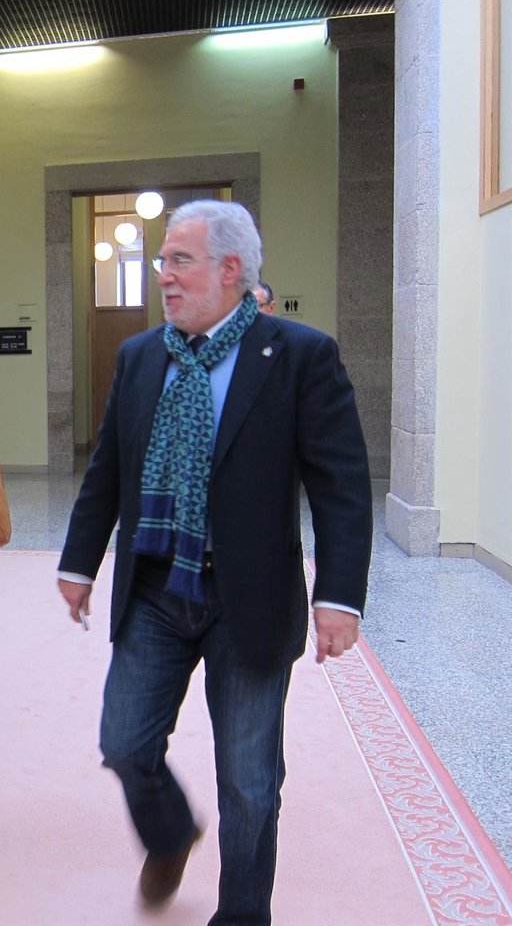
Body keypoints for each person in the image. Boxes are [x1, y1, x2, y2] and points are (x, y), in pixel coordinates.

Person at [57, 201, 371, 925]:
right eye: (163, 261)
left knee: (250, 784)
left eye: (179, 261)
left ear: (231, 270)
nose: (163, 276)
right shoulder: (141, 357)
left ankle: (242, 915)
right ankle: (170, 833)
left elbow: (342, 485)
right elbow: (108, 467)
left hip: (249, 601)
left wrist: (340, 597)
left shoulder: (298, 356)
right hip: (157, 587)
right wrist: (79, 561)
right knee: (124, 741)